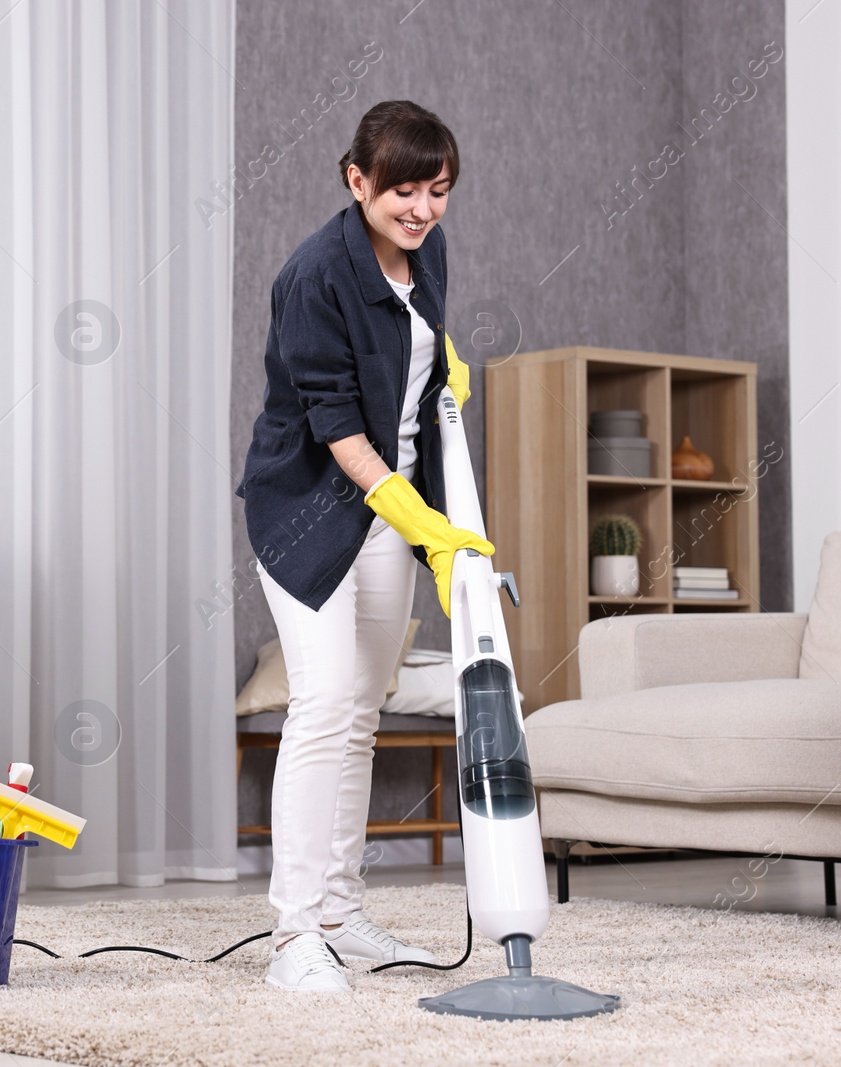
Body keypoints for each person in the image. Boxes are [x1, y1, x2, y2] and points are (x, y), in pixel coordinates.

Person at [234, 100, 494, 993]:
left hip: (391, 506)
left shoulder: (430, 253)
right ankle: (293, 935)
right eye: (403, 190)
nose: (421, 208)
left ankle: (342, 913)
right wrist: (426, 527)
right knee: (322, 702)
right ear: (358, 180)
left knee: (362, 710)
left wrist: (444, 366)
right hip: (309, 507)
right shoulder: (313, 276)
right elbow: (338, 428)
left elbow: (413, 358)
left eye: (438, 190)